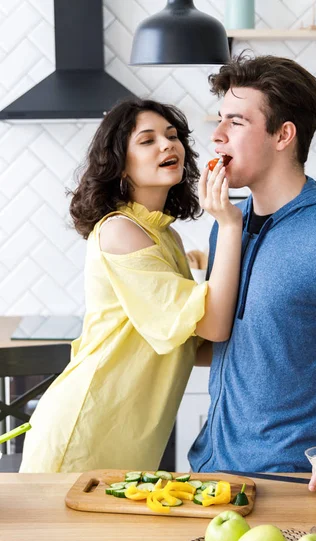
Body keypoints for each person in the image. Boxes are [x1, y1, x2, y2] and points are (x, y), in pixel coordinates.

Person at [188, 55, 316, 496]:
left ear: (284, 135)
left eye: (237, 122)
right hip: (214, 475)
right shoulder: (228, 224)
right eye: (220, 119)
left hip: (293, 485)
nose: (217, 135)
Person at [20, 98, 242, 473]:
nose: (167, 145)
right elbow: (213, 325)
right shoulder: (121, 232)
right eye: (148, 140)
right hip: (86, 429)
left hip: (126, 433)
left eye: (172, 136)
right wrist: (230, 224)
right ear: (120, 164)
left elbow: (191, 343)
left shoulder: (163, 234)